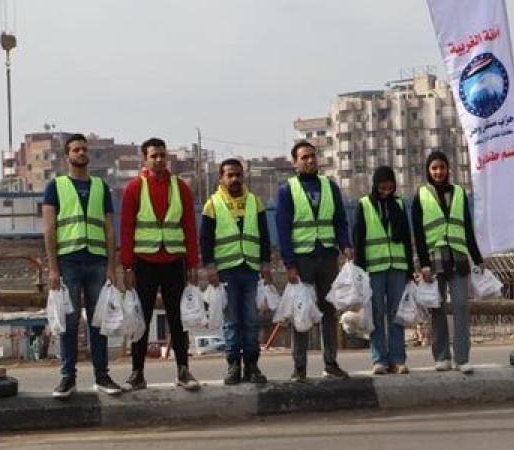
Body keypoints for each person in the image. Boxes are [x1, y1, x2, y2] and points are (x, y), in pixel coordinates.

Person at [43, 133, 120, 398]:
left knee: (100, 322)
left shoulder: (100, 187)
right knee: (70, 321)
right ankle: (68, 377)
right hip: (69, 262)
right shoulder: (56, 186)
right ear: (68, 156)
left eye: (84, 149)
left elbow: (110, 228)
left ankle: (102, 375)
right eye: (76, 149)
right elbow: (49, 228)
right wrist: (53, 268)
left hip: (97, 261)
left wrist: (113, 266)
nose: (81, 153)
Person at [120, 137, 201, 391]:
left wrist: (193, 263)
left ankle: (183, 370)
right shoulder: (134, 188)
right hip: (144, 262)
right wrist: (128, 267)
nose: (158, 160)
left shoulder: (181, 188)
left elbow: (189, 226)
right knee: (141, 319)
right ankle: (137, 372)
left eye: (162, 155)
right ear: (144, 158)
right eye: (153, 156)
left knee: (178, 319)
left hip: (174, 262)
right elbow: (126, 228)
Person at [276, 140, 353, 382]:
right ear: (295, 163)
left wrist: (346, 245)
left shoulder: (330, 187)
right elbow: (283, 228)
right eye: (304, 157)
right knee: (302, 313)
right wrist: (289, 264)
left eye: (312, 156)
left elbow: (340, 220)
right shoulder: (287, 190)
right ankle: (299, 367)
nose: (310, 160)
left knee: (329, 311)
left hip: (327, 256)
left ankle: (330, 362)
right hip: (302, 259)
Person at [200, 159, 273, 385]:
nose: (235, 179)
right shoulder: (212, 204)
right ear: (221, 178)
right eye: (229, 175)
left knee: (250, 321)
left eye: (238, 175)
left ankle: (252, 365)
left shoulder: (254, 202)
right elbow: (206, 240)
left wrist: (266, 263)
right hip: (226, 272)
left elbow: (264, 235)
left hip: (250, 270)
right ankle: (233, 365)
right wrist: (210, 267)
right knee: (231, 321)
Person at [411, 151, 484, 375]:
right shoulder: (420, 195)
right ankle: (442, 356)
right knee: (437, 308)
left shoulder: (459, 193)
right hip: (434, 260)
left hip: (459, 257)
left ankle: (462, 357)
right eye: (434, 168)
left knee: (461, 306)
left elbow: (467, 228)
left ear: (448, 169)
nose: (438, 172)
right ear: (428, 171)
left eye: (442, 167)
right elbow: (419, 233)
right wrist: (423, 264)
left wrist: (478, 257)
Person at [352, 166, 414, 375]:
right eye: (383, 185)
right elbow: (358, 239)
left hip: (397, 266)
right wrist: (359, 272)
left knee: (397, 315)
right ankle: (379, 359)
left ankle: (398, 359)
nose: (386, 189)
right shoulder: (364, 205)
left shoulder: (399, 204)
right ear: (376, 184)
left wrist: (409, 269)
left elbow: (406, 238)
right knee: (376, 314)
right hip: (373, 268)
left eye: (390, 185)